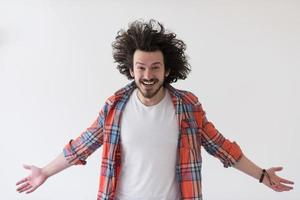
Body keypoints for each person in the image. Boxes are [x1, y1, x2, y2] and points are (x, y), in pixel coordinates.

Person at [16, 19, 294, 200]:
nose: (147, 75)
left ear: (167, 69)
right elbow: (82, 146)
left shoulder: (188, 107)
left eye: (155, 67)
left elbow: (222, 148)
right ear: (131, 70)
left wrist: (261, 175)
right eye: (141, 68)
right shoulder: (115, 107)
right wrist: (45, 172)